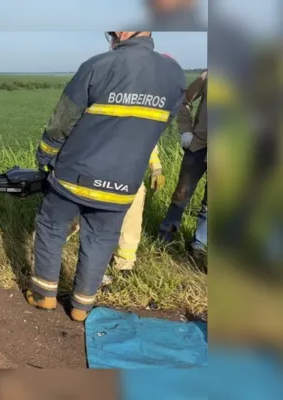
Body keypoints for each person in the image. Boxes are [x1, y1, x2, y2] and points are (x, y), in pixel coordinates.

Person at [25, 32, 186, 322]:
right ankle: (81, 307)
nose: (110, 39)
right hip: (124, 182)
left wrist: (46, 156)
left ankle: (44, 295)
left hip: (75, 175)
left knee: (51, 226)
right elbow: (163, 124)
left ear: (124, 31)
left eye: (111, 34)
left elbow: (63, 120)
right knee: (100, 240)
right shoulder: (173, 73)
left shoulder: (98, 65)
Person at [66, 144, 165, 278]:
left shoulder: (142, 123)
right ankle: (46, 249)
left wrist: (156, 169)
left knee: (131, 221)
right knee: (77, 215)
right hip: (98, 173)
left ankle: (124, 265)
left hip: (130, 177)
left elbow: (149, 143)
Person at [157, 69, 207, 259]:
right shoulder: (208, 77)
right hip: (199, 145)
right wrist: (186, 130)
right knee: (182, 193)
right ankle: (165, 236)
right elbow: (184, 101)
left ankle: (199, 246)